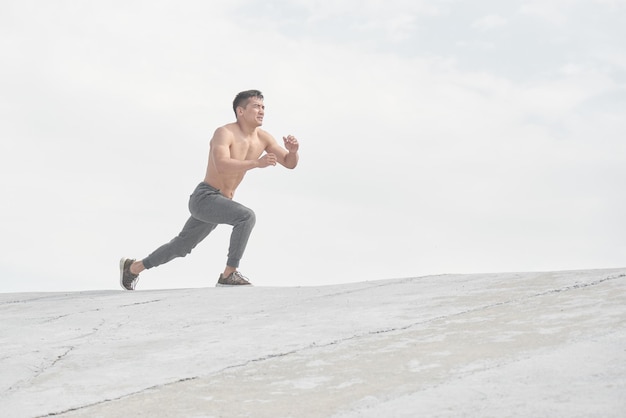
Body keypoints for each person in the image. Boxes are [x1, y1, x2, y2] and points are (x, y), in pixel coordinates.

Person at [119, 90, 299, 290]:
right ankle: (229, 274)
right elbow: (221, 164)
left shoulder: (264, 138)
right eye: (256, 106)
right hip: (205, 197)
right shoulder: (224, 132)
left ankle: (133, 268)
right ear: (240, 111)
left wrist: (293, 152)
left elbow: (289, 164)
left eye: (263, 107)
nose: (262, 111)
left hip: (221, 202)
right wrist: (256, 163)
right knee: (246, 217)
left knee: (181, 247)